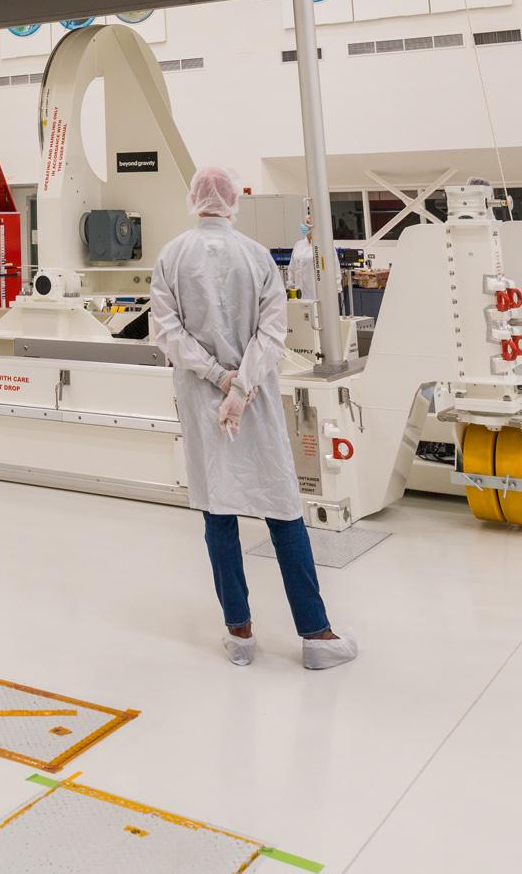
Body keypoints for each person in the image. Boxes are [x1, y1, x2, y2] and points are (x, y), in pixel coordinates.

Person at [148, 165, 357, 672]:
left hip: (202, 399)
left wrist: (218, 379)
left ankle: (239, 634)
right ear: (232, 201)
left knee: (218, 511)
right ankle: (316, 635)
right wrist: (241, 386)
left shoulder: (171, 256)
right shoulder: (257, 255)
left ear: (195, 199)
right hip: (255, 398)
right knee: (283, 511)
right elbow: (273, 335)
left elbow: (168, 333)